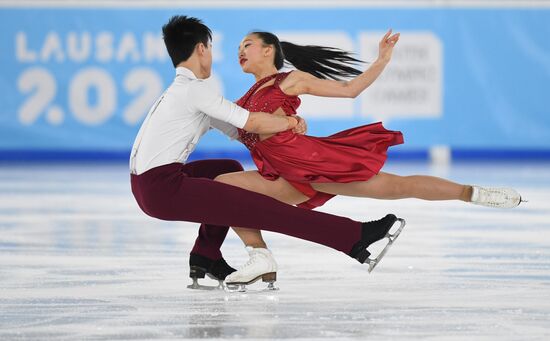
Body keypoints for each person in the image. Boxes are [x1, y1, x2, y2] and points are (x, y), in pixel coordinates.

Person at [214, 30, 523, 286]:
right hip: (281, 175)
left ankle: (475, 193)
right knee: (223, 188)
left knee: (400, 187)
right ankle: (259, 257)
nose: (240, 51)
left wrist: (382, 60)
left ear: (269, 51)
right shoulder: (245, 99)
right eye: (239, 47)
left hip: (313, 164)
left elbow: (350, 90)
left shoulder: (289, 80)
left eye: (248, 45)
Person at [129, 15, 405, 291]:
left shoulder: (182, 90)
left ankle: (206, 253)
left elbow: (239, 130)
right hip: (160, 190)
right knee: (258, 208)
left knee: (226, 169)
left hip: (146, 184)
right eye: (210, 49)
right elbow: (250, 122)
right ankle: (352, 236)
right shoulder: (196, 90)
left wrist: (279, 131)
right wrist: (290, 122)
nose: (212, 55)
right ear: (201, 49)